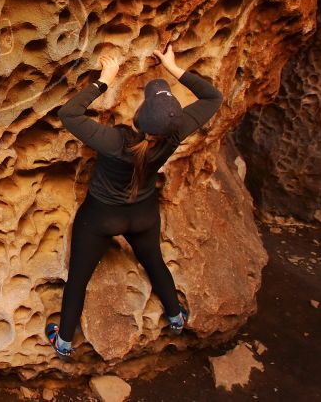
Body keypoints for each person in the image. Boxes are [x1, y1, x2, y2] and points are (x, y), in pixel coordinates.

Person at [45, 43, 224, 360]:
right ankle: (176, 318)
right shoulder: (176, 131)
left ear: (140, 116)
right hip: (143, 215)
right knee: (154, 262)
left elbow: (68, 114)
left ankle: (64, 342)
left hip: (101, 219)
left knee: (78, 280)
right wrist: (172, 67)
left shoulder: (114, 140)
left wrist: (105, 79)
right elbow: (213, 97)